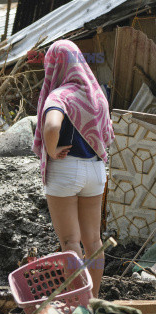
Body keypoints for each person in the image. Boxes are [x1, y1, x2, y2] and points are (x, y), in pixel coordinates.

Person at [32, 40, 114, 298]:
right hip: (96, 170)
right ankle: (91, 302)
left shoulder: (60, 94)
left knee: (70, 243)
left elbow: (52, 126)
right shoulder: (98, 94)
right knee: (93, 242)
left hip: (66, 171)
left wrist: (52, 149)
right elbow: (108, 134)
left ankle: (77, 301)